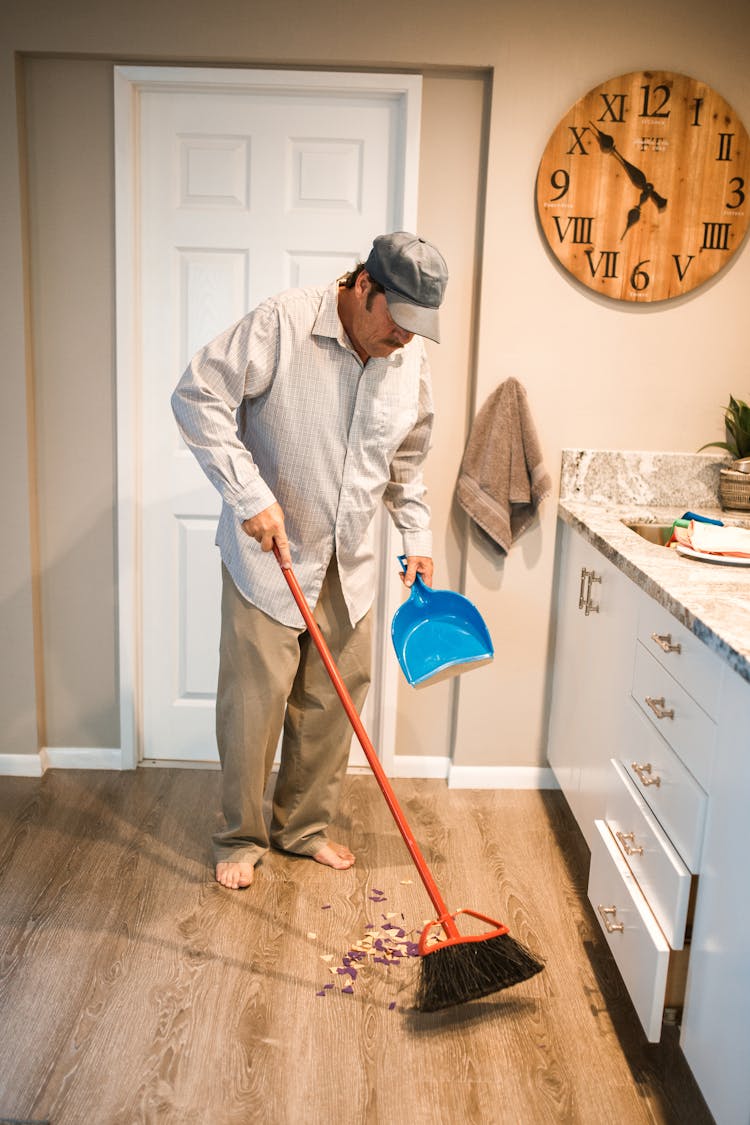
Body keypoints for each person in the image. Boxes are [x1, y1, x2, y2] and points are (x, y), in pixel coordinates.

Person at [171, 231, 448, 889]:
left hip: (349, 562)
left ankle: (302, 829)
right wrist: (247, 493)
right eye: (399, 320)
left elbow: (406, 461)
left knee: (332, 700)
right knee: (254, 702)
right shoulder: (285, 322)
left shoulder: (408, 363)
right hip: (270, 555)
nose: (406, 338)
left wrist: (418, 538)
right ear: (364, 287)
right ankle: (240, 836)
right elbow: (198, 396)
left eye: (419, 327)